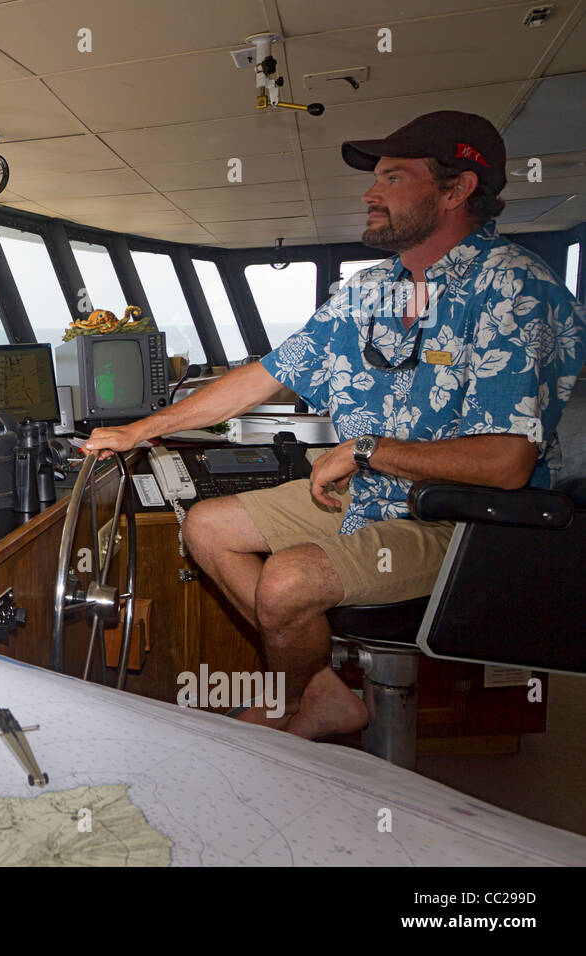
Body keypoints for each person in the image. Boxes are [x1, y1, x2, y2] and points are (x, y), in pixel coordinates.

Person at [83, 111, 584, 740]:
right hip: (364, 494)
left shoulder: (514, 288)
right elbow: (265, 377)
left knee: (287, 582)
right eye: (374, 179)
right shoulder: (369, 289)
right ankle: (317, 690)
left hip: (458, 520)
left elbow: (506, 462)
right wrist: (141, 431)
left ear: (456, 191)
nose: (371, 195)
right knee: (208, 526)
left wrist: (368, 448)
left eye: (394, 178)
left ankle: (289, 702)